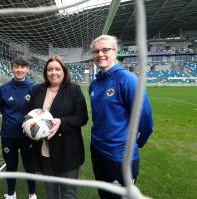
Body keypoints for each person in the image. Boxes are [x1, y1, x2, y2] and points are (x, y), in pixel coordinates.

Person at [89, 35, 153, 199]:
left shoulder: (128, 80)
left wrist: (135, 143)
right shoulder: (94, 84)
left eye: (105, 50)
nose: (100, 54)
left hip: (120, 156)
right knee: (104, 194)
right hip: (97, 150)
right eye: (96, 51)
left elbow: (145, 119)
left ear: (115, 52)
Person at [28, 55, 88, 199]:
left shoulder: (74, 90)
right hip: (45, 150)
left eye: (57, 69)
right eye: (49, 69)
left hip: (67, 150)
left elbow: (82, 117)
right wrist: (28, 126)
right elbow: (30, 114)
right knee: (51, 191)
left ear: (64, 71)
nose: (53, 72)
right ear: (45, 72)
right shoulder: (37, 90)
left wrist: (62, 122)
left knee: (68, 193)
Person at [0, 57, 37, 199]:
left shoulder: (34, 88)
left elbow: (36, 111)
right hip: (8, 134)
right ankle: (11, 193)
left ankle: (32, 193)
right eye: (16, 66)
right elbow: (3, 109)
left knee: (29, 165)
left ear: (27, 69)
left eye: (22, 67)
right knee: (11, 165)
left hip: (28, 134)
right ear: (12, 68)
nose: (19, 70)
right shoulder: (4, 88)